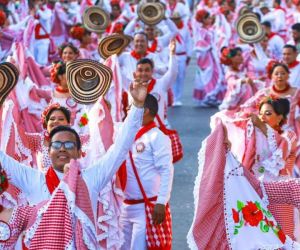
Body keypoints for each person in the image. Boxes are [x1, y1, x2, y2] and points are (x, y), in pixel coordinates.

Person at [0, 77, 147, 207]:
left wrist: (137, 108)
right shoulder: (33, 180)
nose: (62, 149)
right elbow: (3, 157)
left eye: (69, 145)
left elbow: (120, 148)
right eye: (56, 145)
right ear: (49, 149)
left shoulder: (91, 179)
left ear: (79, 151)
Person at [120, 94, 174, 250]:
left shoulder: (157, 136)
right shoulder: (124, 132)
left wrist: (161, 202)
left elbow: (166, 171)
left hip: (146, 208)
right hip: (124, 207)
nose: (126, 109)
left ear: (144, 111)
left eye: (131, 106)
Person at [129, 43, 177, 123]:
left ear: (152, 71)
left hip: (158, 129)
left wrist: (172, 54)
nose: (143, 73)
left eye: (147, 70)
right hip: (137, 131)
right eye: (140, 70)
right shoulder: (131, 87)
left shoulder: (161, 84)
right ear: (135, 73)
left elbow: (173, 72)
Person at [193, 9, 224, 107]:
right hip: (207, 56)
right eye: (208, 18)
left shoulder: (209, 29)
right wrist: (208, 47)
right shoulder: (201, 31)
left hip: (212, 54)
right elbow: (199, 43)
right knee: (208, 76)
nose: (210, 19)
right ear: (203, 19)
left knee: (216, 74)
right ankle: (208, 96)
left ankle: (211, 96)